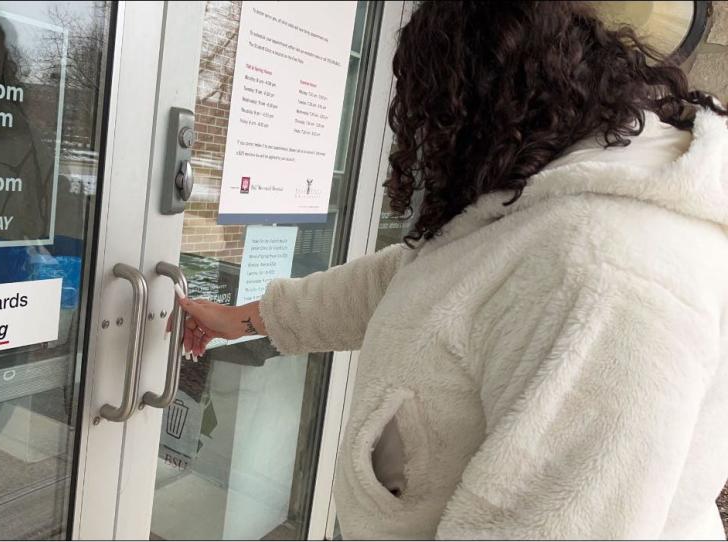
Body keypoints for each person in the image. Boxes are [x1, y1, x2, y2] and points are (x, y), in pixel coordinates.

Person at [175, 1, 728, 539]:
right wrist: (247, 319)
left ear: (479, 101)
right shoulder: (550, 202)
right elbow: (416, 278)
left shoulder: (607, 273)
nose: (425, 144)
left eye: (431, 115)